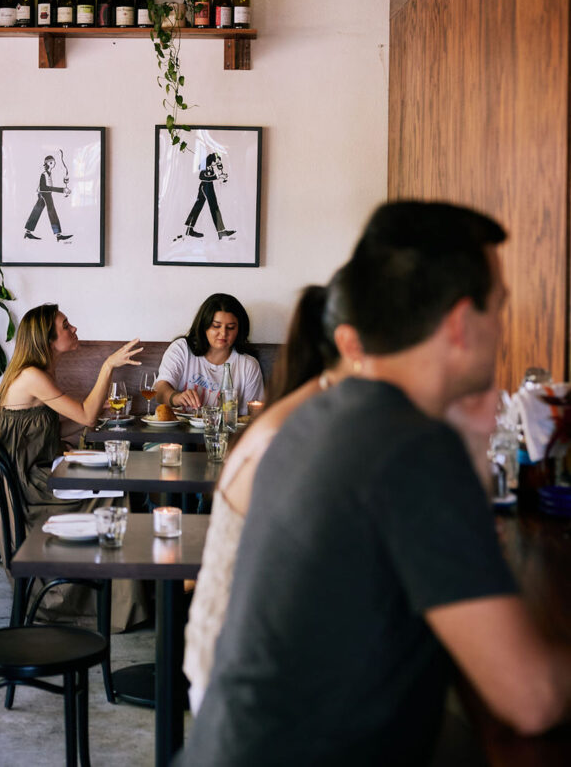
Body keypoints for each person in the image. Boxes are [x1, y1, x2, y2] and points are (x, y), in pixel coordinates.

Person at [181, 201, 571, 766]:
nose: (505, 325)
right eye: (501, 308)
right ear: (462, 322)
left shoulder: (316, 414)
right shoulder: (409, 445)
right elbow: (529, 696)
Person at [183, 275, 353, 715]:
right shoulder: (298, 427)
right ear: (351, 345)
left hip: (234, 649)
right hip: (242, 667)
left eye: (231, 326)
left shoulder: (295, 411)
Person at [0, 303, 146, 630]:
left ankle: (123, 596)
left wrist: (93, 415)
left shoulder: (39, 373)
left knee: (114, 481)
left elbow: (57, 428)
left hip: (36, 474)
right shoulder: (32, 376)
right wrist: (107, 366)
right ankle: (113, 604)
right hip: (27, 487)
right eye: (66, 325)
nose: (73, 329)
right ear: (46, 339)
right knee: (116, 494)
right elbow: (85, 417)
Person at [154, 293, 264, 414]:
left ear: (239, 329)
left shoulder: (248, 365)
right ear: (203, 326)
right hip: (180, 430)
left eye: (231, 327)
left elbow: (249, 416)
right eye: (216, 326)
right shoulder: (182, 349)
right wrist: (176, 397)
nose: (223, 333)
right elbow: (159, 391)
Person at [184, 152, 235, 240]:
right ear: (213, 160)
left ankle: (189, 229)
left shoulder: (210, 166)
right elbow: (202, 176)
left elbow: (210, 176)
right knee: (214, 207)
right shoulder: (206, 166)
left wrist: (219, 173)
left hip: (207, 186)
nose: (218, 162)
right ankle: (221, 231)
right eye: (217, 160)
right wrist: (218, 176)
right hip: (206, 186)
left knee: (198, 207)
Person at [24, 154, 72, 242]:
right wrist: (62, 190)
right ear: (47, 164)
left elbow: (47, 187)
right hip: (45, 194)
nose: (53, 164)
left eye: (53, 162)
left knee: (37, 211)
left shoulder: (49, 174)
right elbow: (44, 187)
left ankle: (28, 232)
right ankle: (58, 234)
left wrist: (63, 189)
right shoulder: (44, 174)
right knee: (51, 212)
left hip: (45, 194)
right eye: (51, 162)